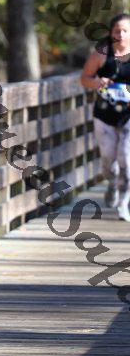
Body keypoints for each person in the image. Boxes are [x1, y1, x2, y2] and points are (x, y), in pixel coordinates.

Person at [80, 13, 130, 221]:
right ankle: (112, 182)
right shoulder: (101, 54)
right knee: (109, 160)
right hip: (104, 114)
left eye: (126, 30)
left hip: (128, 116)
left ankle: (123, 203)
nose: (121, 34)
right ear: (111, 33)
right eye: (117, 30)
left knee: (126, 157)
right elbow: (84, 78)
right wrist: (97, 83)